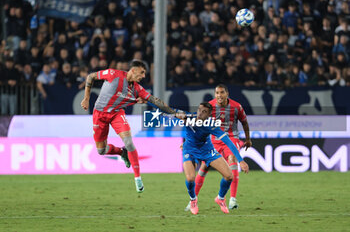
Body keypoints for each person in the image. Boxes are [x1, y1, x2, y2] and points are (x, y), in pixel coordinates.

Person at [80, 60, 176, 193]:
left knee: (129, 142)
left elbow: (155, 101)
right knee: (101, 150)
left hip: (116, 114)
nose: (143, 76)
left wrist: (174, 112)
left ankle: (137, 178)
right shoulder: (113, 74)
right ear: (133, 70)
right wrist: (86, 98)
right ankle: (121, 152)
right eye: (142, 72)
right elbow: (91, 76)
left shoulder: (137, 89)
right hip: (99, 114)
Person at [186, 84, 252, 211]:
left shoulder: (236, 107)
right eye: (217, 93)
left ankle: (232, 199)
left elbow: (244, 122)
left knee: (232, 160)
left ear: (227, 94)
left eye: (222, 93)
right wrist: (189, 141)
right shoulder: (209, 107)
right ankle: (193, 200)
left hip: (231, 137)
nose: (219, 96)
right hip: (213, 140)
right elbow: (198, 123)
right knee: (204, 166)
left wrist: (248, 139)